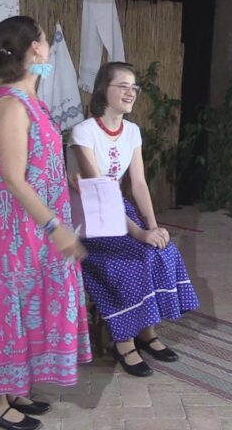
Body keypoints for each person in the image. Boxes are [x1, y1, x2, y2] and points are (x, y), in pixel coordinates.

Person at [0, 16, 90, 430]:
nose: (49, 48)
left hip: (32, 224)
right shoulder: (12, 104)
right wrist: (56, 228)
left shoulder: (32, 98)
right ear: (35, 47)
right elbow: (13, 178)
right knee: (5, 305)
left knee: (28, 299)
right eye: (46, 41)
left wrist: (63, 179)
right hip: (9, 229)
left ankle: (12, 387)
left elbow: (37, 160)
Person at [70, 61, 199, 377]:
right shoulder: (84, 132)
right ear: (104, 90)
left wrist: (152, 226)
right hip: (90, 219)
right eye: (123, 86)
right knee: (131, 261)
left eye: (134, 87)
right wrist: (139, 234)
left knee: (163, 250)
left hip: (119, 209)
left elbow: (138, 183)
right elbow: (100, 191)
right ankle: (123, 341)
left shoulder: (132, 131)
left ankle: (146, 331)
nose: (131, 93)